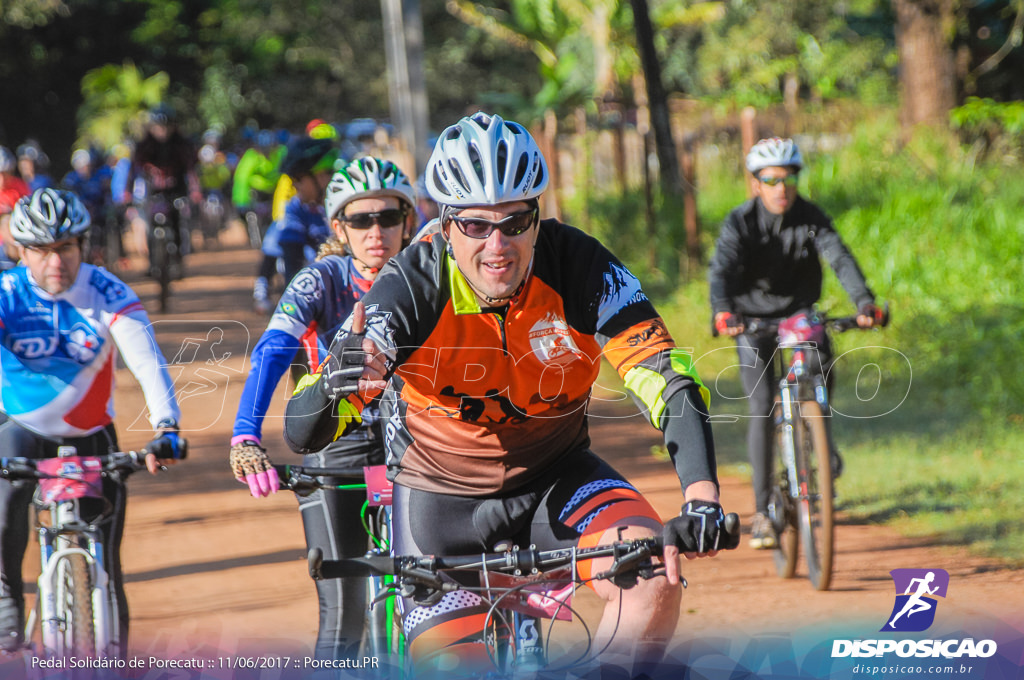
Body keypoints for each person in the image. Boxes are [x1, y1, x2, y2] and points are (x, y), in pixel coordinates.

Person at [283, 112, 736, 676]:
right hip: (437, 497)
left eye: (515, 221)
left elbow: (665, 377)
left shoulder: (581, 267)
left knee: (653, 581)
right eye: (475, 226)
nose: (497, 245)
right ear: (445, 226)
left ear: (537, 219)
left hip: (557, 478)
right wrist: (337, 380)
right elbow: (303, 431)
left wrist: (701, 496)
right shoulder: (410, 287)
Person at [230, 156, 417, 660]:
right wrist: (245, 435)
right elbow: (272, 350)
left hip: (416, 441)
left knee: (441, 592)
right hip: (336, 444)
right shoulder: (321, 280)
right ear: (340, 226)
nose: (375, 231)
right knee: (343, 609)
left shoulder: (428, 274)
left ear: (409, 222)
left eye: (388, 218)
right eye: (360, 219)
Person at [0, 188, 185, 654]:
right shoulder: (6, 294)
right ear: (19, 251)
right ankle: (6, 614)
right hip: (21, 432)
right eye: (40, 250)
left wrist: (167, 427)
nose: (54, 261)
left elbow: (147, 361)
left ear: (83, 245)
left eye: (65, 248)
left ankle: (113, 656)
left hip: (91, 439)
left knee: (107, 561)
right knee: (3, 522)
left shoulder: (108, 292)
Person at [707, 137, 879, 550]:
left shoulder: (811, 217)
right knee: (763, 406)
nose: (780, 187)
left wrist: (864, 301)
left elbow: (839, 257)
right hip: (750, 321)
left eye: (788, 178)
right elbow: (721, 270)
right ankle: (765, 511)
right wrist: (722, 310)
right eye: (770, 179)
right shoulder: (740, 222)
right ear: (756, 183)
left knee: (821, 361)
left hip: (800, 313)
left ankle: (820, 437)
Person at [252, 136, 337, 313]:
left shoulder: (352, 206)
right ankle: (262, 287)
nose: (294, 186)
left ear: (321, 176)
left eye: (298, 179)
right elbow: (292, 262)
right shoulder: (297, 208)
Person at [131, 104, 201, 272]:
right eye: (158, 127)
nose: (162, 131)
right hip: (152, 191)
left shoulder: (183, 144)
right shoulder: (143, 146)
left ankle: (178, 257)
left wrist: (195, 190)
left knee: (177, 220)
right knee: (149, 224)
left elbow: (191, 170)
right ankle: (152, 263)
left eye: (166, 127)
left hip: (176, 189)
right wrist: (127, 193)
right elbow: (134, 170)